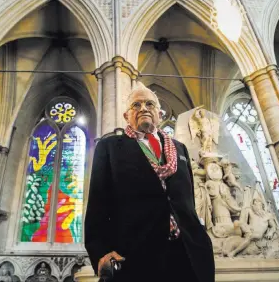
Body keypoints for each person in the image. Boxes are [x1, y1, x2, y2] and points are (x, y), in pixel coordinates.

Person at [85, 83, 215, 282]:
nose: (143, 108)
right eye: (136, 105)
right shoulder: (109, 147)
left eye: (150, 104)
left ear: (160, 114)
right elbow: (97, 205)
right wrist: (100, 252)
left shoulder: (179, 149)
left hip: (188, 254)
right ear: (126, 116)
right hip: (136, 255)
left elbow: (187, 201)